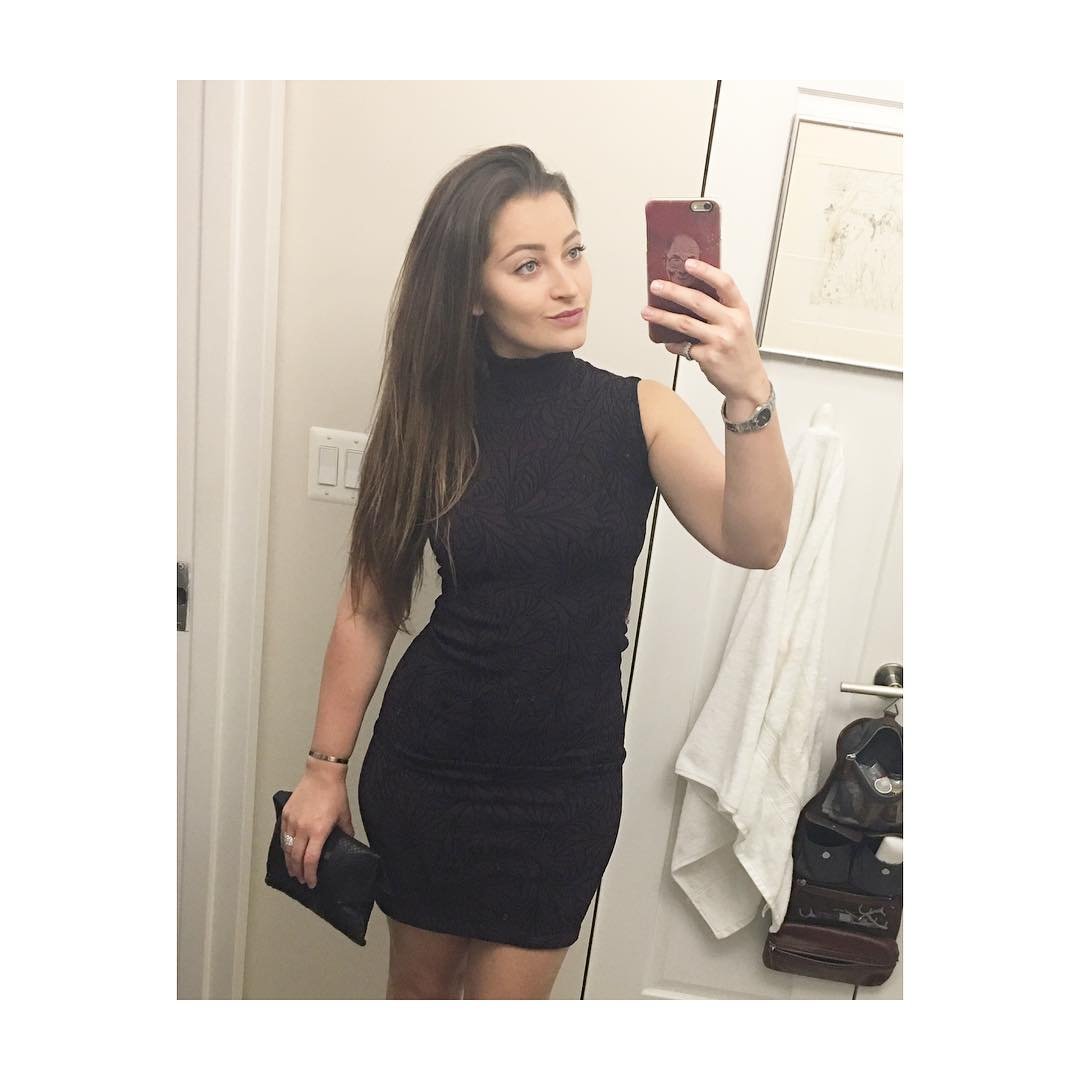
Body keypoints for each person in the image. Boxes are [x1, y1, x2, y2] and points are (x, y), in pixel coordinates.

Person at [278, 145, 794, 999]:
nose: (568, 284)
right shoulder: (428, 421)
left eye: (574, 251)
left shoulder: (640, 412)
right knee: (417, 1001)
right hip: (429, 768)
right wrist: (323, 769)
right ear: (471, 293)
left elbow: (757, 539)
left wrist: (747, 389)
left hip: (562, 786)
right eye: (529, 265)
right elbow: (368, 607)